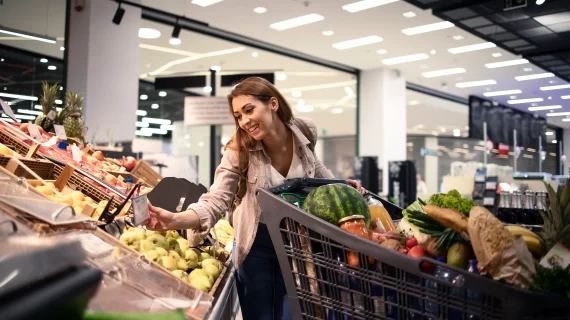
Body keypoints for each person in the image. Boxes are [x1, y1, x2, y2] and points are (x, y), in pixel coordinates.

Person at [145, 77, 365, 320]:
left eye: (249, 110)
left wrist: (342, 187)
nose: (245, 121)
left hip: (298, 240)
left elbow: (316, 169)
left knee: (299, 312)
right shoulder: (237, 150)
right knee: (261, 314)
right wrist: (175, 219)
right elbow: (217, 198)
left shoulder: (304, 130)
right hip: (257, 243)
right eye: (238, 115)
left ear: (273, 103)